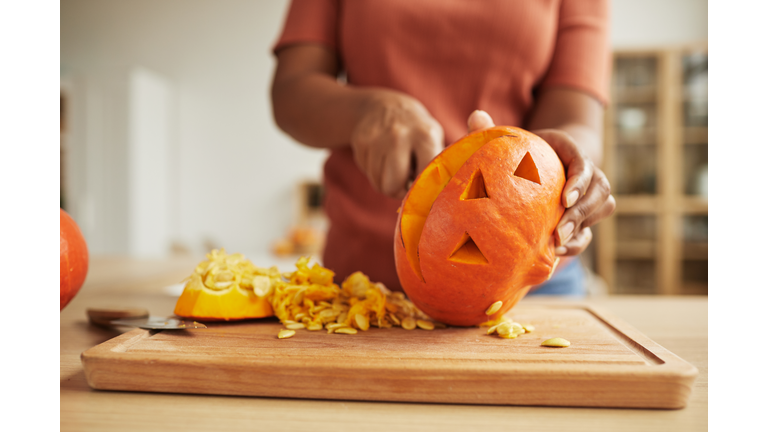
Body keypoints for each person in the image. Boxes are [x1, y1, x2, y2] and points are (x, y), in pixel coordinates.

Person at [270, 0, 616, 297]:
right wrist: (366, 111)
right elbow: (291, 90)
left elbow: (577, 121)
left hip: (528, 278)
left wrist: (567, 165)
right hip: (364, 277)